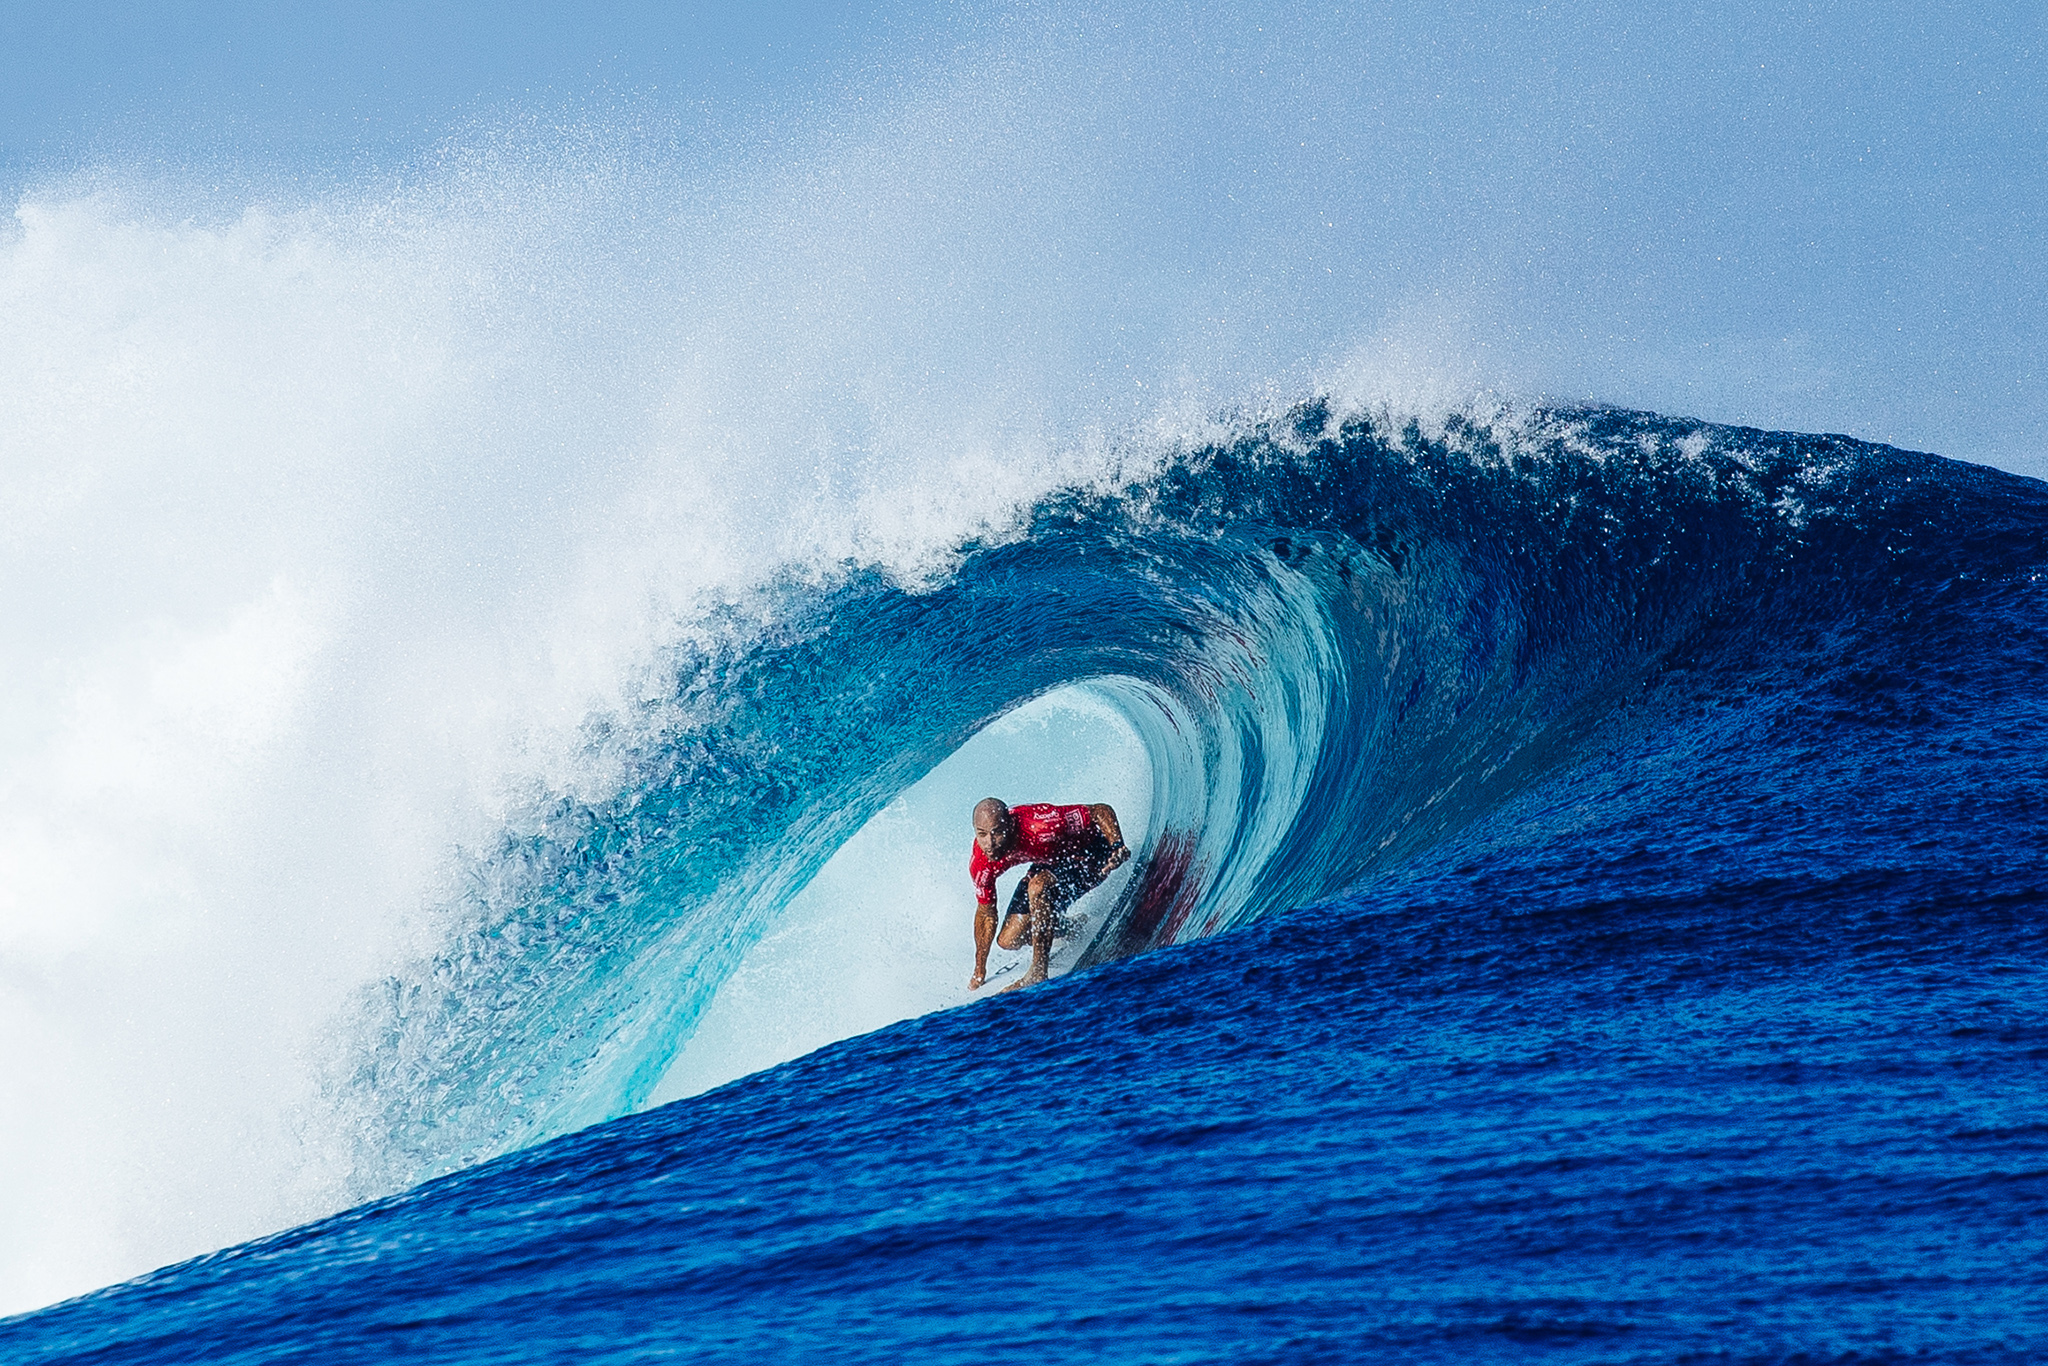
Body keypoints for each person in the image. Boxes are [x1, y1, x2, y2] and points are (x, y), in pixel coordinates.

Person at [969, 797, 1129, 991]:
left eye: (997, 833)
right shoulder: (982, 860)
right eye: (982, 834)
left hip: (1092, 857)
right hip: (1051, 862)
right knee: (1009, 940)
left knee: (1037, 887)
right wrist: (980, 970)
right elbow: (986, 913)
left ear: (1010, 826)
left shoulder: (1042, 824)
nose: (990, 843)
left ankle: (1037, 972)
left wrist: (1116, 846)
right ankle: (1070, 927)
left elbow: (1099, 810)